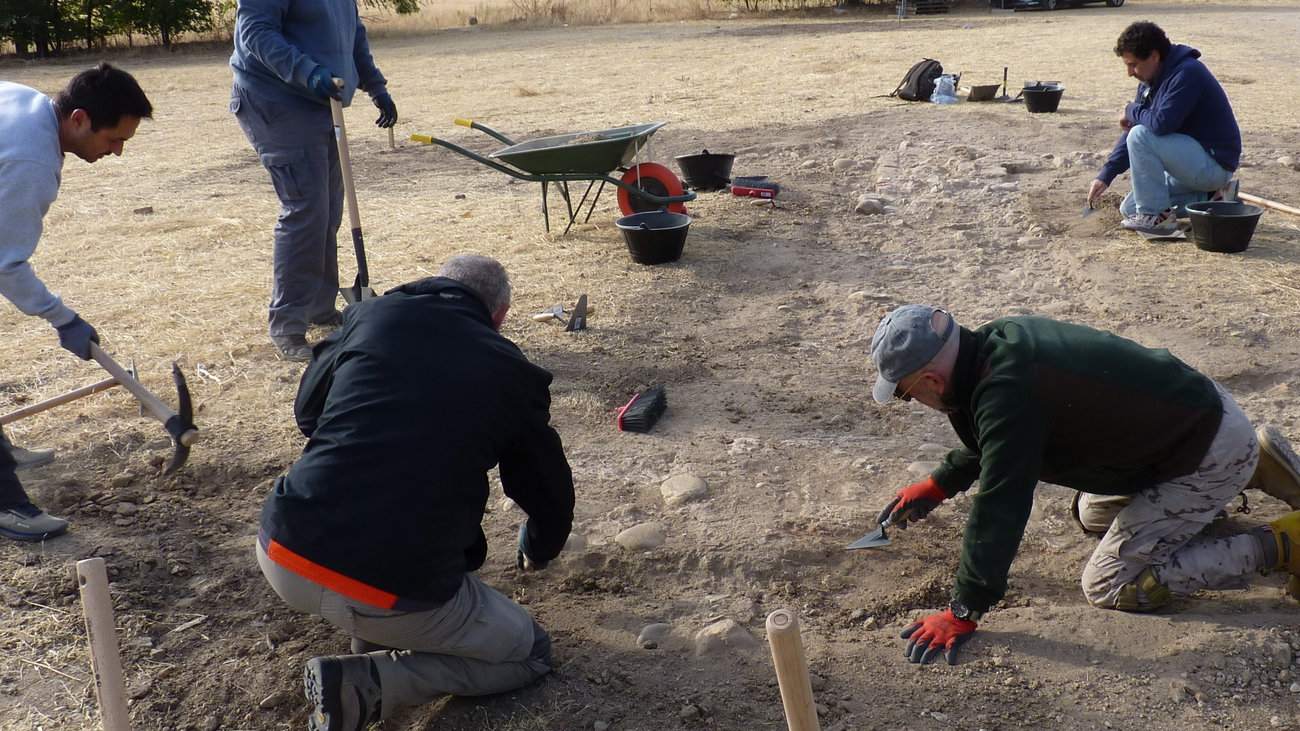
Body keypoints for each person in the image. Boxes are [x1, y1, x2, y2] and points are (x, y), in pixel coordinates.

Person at [868, 305, 1300, 665]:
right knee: (1089, 512)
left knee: (1110, 585)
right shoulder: (995, 343)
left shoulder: (1008, 392)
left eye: (907, 394)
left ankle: (1282, 542)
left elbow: (1002, 501)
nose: (915, 402)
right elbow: (997, 438)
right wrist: (939, 484)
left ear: (931, 381)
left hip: (1205, 452)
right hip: (1197, 416)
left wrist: (965, 608)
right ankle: (1254, 462)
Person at [255, 254, 575, 731]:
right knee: (533, 654)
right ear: (500, 316)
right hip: (395, 590)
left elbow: (307, 415)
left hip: (283, 551)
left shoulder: (370, 316)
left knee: (369, 579)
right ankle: (371, 685)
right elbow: (547, 491)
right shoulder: (514, 374)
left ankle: (369, 630)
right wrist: (537, 547)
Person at [0, 63, 153, 542]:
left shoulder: (22, 99)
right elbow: (5, 264)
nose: (119, 152)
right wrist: (63, 318)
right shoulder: (32, 161)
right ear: (80, 119)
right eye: (113, 140)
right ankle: (8, 505)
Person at [230, 0, 399, 362]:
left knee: (329, 208)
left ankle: (320, 308)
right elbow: (255, 32)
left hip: (322, 100)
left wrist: (374, 85)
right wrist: (307, 72)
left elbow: (351, 33)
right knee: (306, 209)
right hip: (277, 99)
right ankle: (288, 323)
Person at [1086, 21, 1241, 236]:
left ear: (1154, 56)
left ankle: (1157, 219)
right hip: (1190, 167)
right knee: (1129, 208)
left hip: (1213, 165)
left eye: (1133, 64)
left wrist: (1131, 109)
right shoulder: (1150, 81)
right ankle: (1216, 198)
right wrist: (1106, 175)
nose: (1130, 72)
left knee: (1141, 135)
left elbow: (1160, 125)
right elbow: (1135, 129)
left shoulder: (1187, 73)